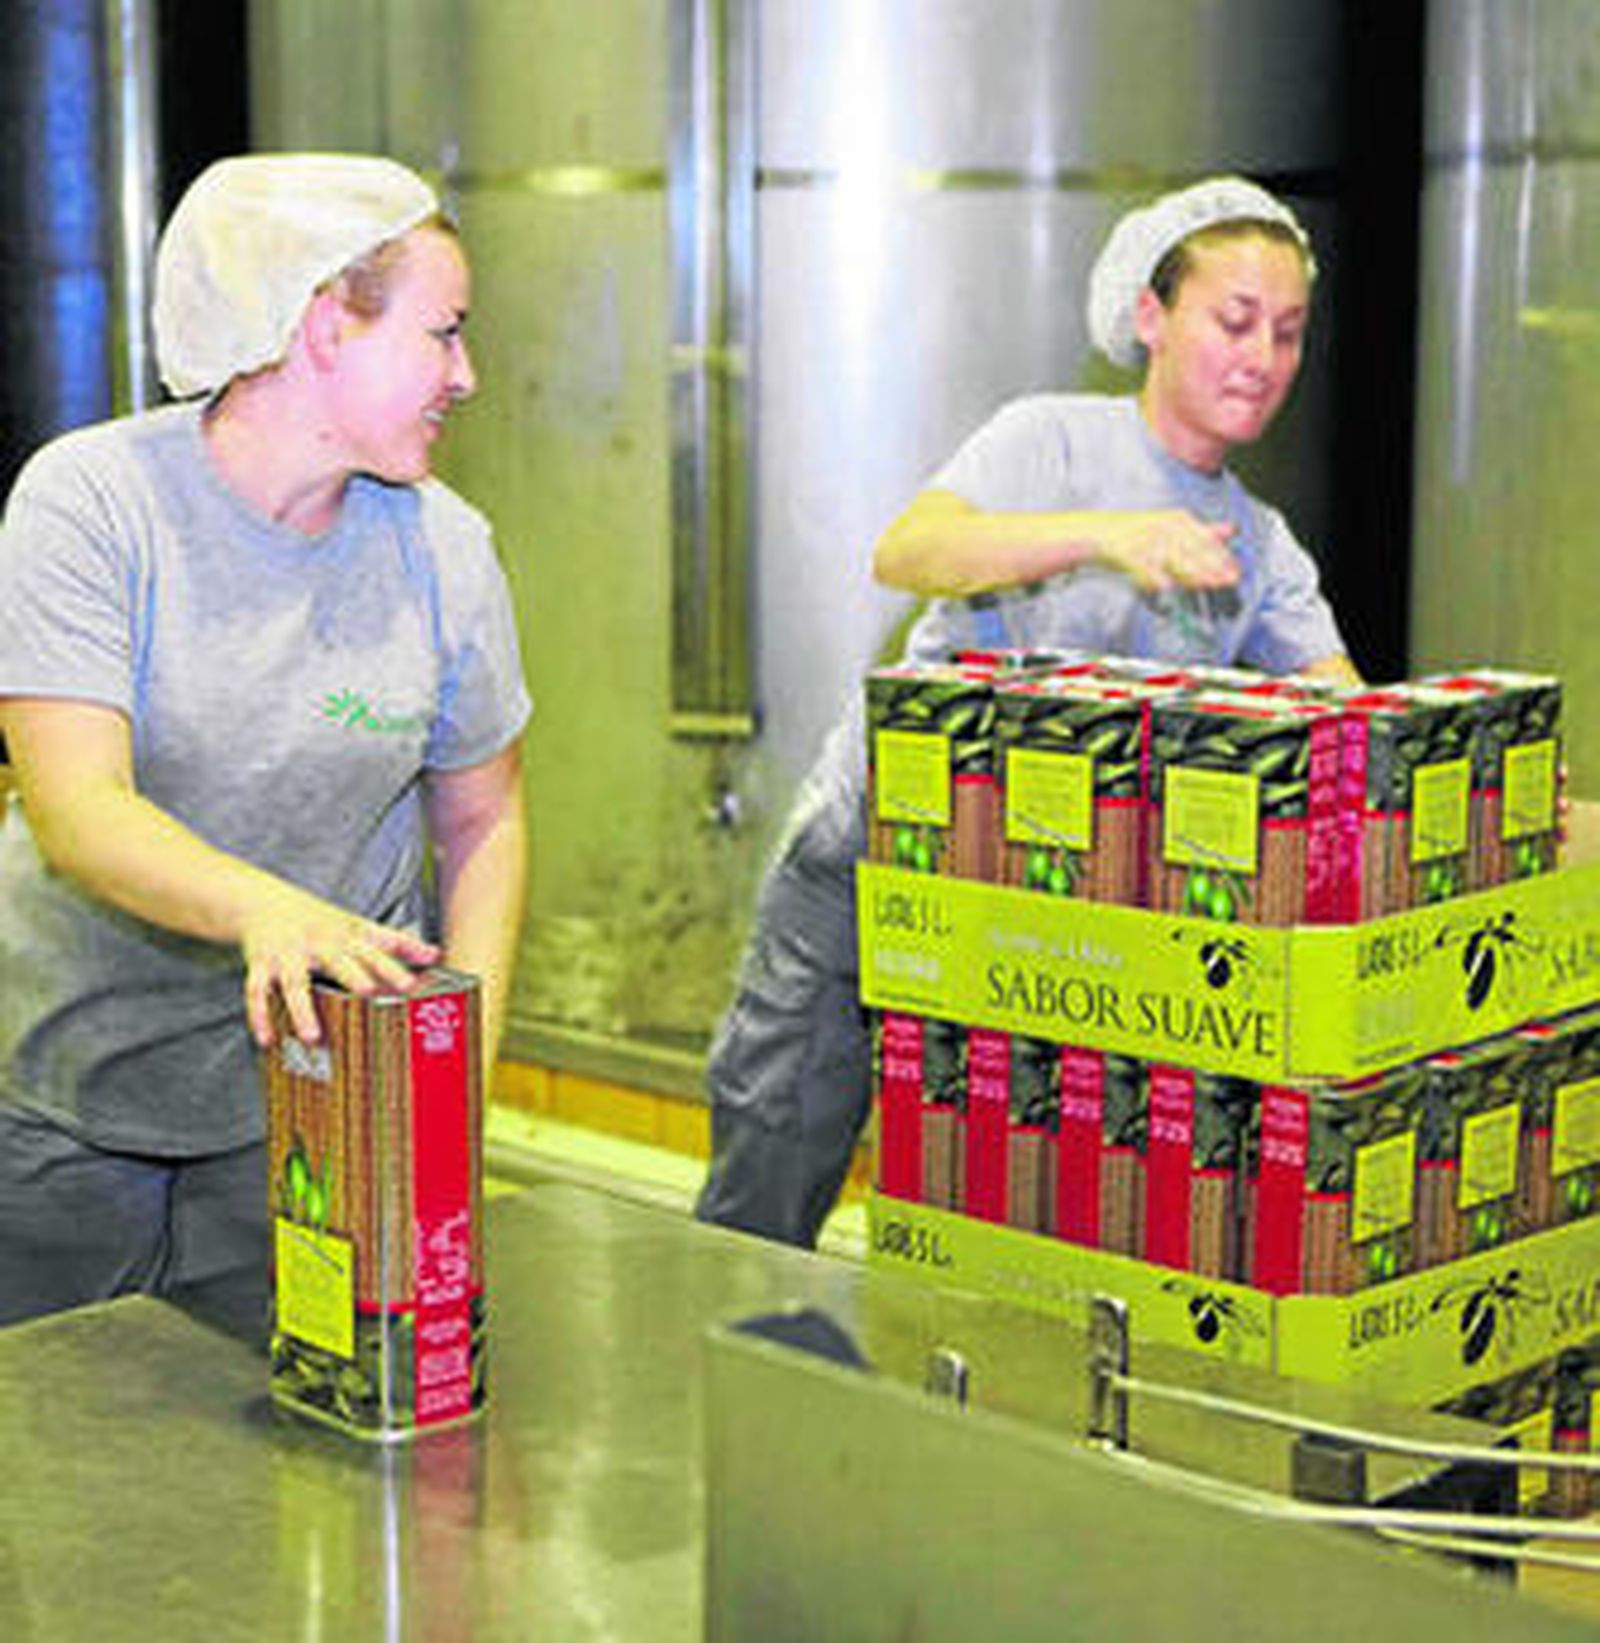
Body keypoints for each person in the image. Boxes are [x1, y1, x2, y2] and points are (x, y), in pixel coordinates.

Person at [695, 175, 1360, 1248]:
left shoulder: (1261, 545)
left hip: (1048, 914)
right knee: (777, 1144)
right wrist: (1107, 534)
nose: (1262, 357)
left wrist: (1474, 771)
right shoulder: (1047, 439)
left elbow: (1346, 719)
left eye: (1286, 332)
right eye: (1234, 320)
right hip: (878, 850)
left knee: (1002, 1202)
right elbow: (909, 549)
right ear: (1151, 316)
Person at [0, 154, 531, 1331]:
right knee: (51, 1433)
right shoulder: (90, 504)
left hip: (313, 1102)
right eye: (442, 333)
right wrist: (270, 909)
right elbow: (79, 808)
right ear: (323, 325)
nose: (466, 375)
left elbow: (484, 816)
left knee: (280, 1431)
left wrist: (457, 1068)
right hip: (60, 1107)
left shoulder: (445, 550)